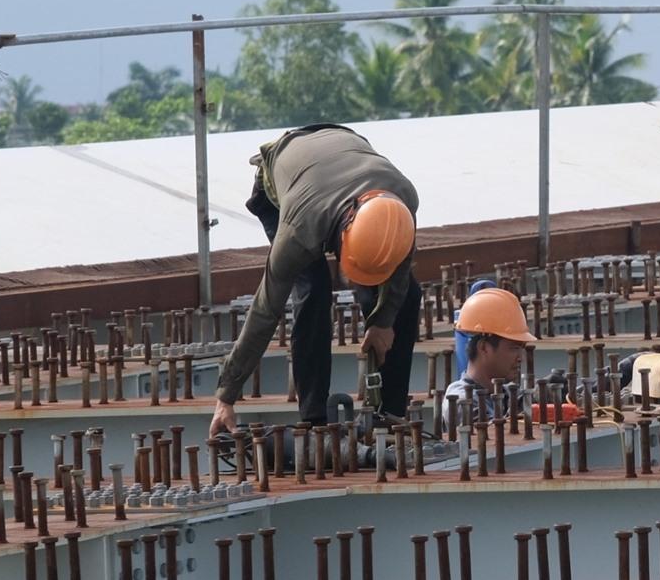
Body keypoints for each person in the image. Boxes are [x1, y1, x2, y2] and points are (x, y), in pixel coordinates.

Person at [208, 123, 421, 438]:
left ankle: (390, 413)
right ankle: (314, 419)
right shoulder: (299, 230)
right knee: (314, 291)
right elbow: (265, 311)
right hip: (285, 182)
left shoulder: (402, 204)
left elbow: (401, 269)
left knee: (407, 296)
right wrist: (226, 395)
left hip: (345, 153)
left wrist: (384, 321)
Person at [442, 286, 535, 430]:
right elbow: (492, 436)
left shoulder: (505, 393)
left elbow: (528, 403)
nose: (520, 358)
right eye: (514, 348)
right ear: (484, 347)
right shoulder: (461, 401)